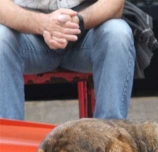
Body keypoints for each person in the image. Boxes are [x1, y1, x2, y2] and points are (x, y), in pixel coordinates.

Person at [0, 0, 135, 120]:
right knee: (1, 38)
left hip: (85, 33)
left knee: (118, 33)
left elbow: (115, 4)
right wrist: (43, 24)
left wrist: (79, 21)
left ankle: (109, 139)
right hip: (28, 36)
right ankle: (8, 139)